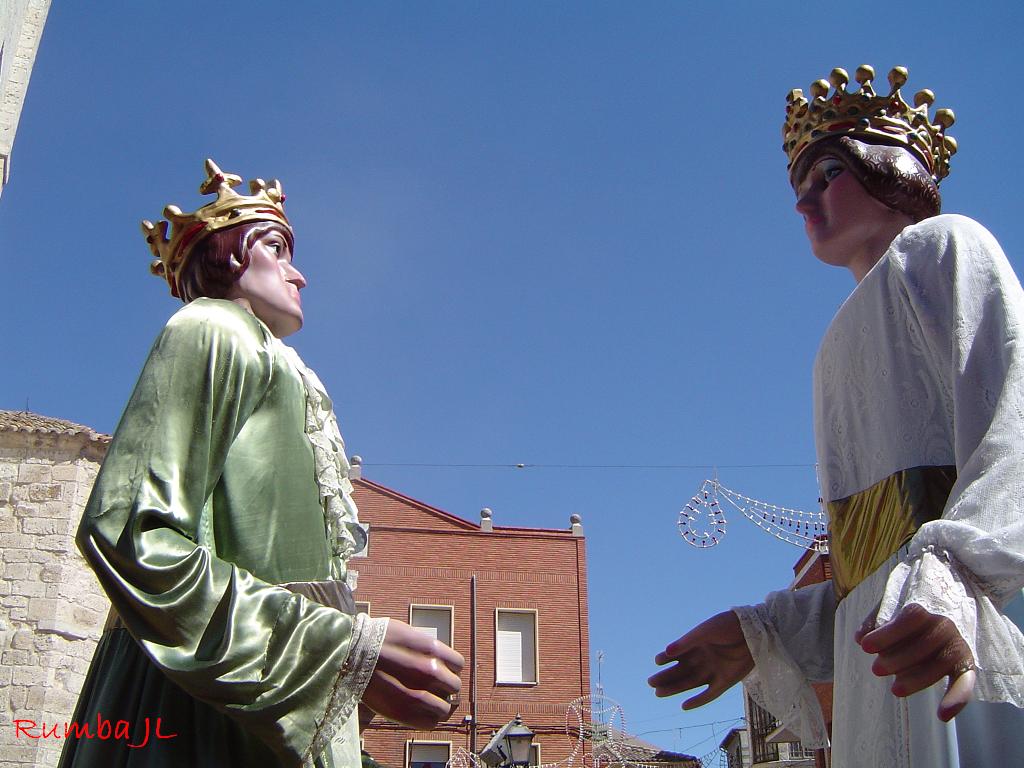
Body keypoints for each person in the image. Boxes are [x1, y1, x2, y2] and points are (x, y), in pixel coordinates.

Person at [649, 66, 1024, 766]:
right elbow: (870, 567)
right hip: (889, 661)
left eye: (827, 173)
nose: (806, 202)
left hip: (963, 625)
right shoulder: (832, 345)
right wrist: (769, 628)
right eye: (798, 189)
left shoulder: (945, 247)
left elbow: (1014, 432)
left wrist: (953, 580)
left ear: (893, 170)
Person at [60, 160, 464, 768]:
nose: (299, 273)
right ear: (231, 257)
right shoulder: (214, 329)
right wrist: (335, 650)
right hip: (198, 707)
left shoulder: (275, 360)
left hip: (253, 701)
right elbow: (129, 530)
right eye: (277, 247)